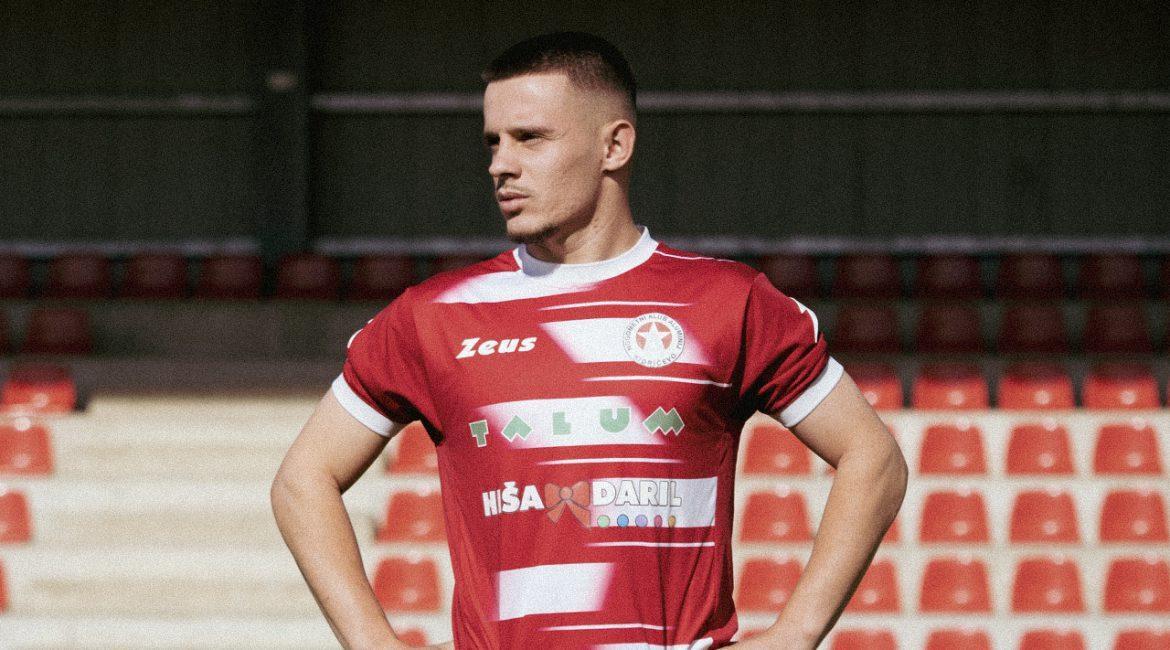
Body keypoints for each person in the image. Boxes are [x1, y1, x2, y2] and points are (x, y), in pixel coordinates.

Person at [271, 31, 907, 650]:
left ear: (615, 145)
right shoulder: (434, 315)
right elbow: (303, 480)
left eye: (530, 137)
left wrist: (794, 634)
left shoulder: (728, 300)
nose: (500, 164)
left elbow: (872, 458)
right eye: (493, 141)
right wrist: (374, 642)